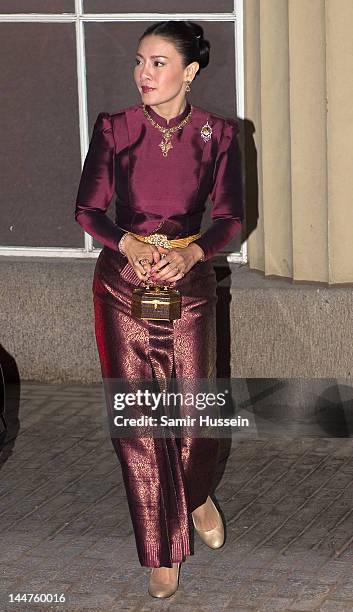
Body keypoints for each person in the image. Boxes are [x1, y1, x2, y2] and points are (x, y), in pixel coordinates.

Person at [75, 20, 243, 598]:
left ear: (189, 72)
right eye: (139, 62)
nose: (143, 73)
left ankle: (194, 497)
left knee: (195, 419)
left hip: (190, 286)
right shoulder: (115, 128)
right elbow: (88, 210)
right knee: (140, 425)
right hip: (122, 285)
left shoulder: (219, 133)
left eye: (157, 63)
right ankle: (159, 553)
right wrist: (129, 243)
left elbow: (230, 218)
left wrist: (193, 251)